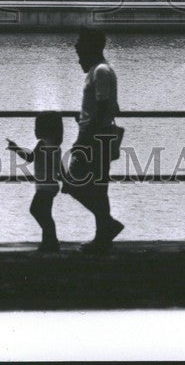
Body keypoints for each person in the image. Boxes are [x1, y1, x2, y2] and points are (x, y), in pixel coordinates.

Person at [61, 30, 124, 252]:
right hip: (98, 134)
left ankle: (106, 225)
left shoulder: (100, 72)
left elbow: (104, 106)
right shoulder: (99, 71)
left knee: (72, 184)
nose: (77, 51)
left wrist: (84, 139)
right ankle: (103, 234)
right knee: (98, 188)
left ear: (92, 47)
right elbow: (108, 106)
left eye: (80, 47)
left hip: (95, 137)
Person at [6, 111, 63, 252]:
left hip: (47, 187)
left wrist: (64, 178)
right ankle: (49, 242)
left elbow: (57, 166)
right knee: (44, 213)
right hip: (44, 186)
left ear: (46, 129)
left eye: (37, 127)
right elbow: (30, 158)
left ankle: (51, 241)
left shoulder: (51, 147)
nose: (35, 130)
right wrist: (16, 149)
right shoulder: (42, 144)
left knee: (37, 210)